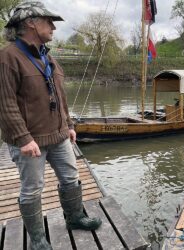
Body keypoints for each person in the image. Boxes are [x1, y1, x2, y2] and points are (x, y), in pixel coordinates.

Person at [0, 2, 101, 250]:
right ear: (31, 23)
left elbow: (59, 96)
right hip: (30, 142)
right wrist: (23, 138)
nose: (54, 26)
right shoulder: (8, 57)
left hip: (59, 136)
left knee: (71, 177)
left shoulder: (48, 56)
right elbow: (5, 103)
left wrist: (69, 125)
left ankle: (75, 217)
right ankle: (36, 239)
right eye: (49, 21)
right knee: (32, 189)